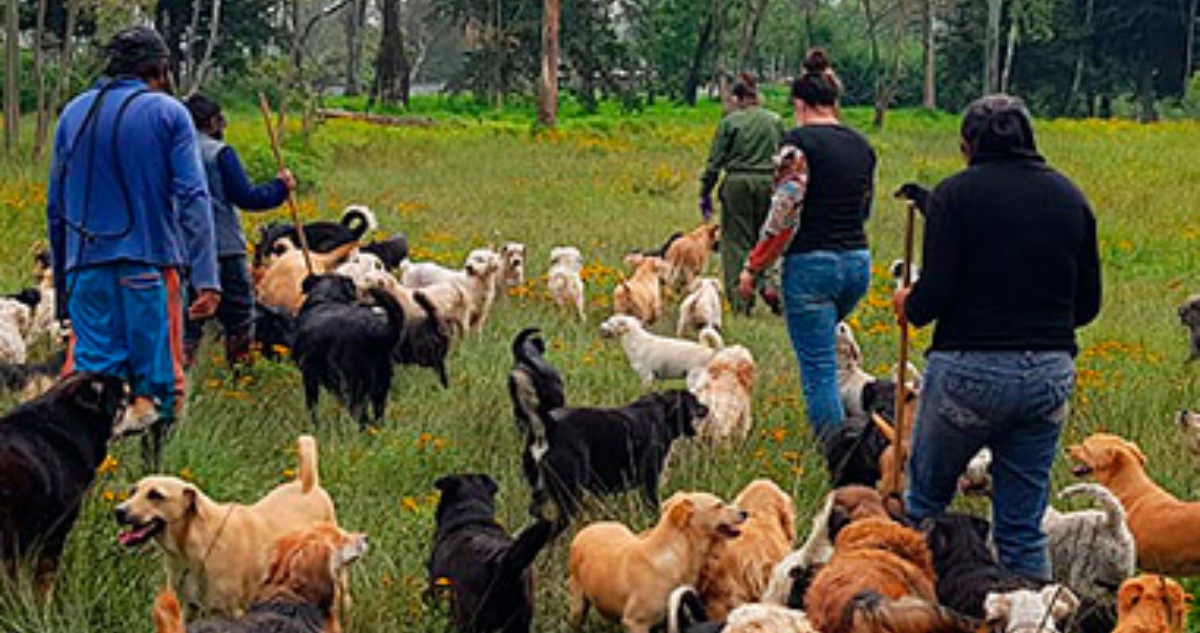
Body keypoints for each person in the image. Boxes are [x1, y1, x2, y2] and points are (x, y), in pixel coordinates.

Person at [892, 94, 1102, 579]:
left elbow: (933, 298)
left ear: (967, 146)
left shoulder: (954, 196)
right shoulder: (1071, 198)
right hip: (1049, 374)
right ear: (1031, 140)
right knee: (1022, 527)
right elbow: (1087, 307)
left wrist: (909, 302)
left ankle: (927, 611)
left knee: (924, 507)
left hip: (968, 372)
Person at [47, 26, 219, 463]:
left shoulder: (73, 114)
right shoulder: (168, 113)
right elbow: (194, 198)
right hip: (149, 269)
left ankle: (77, 477)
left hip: (84, 270)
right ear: (160, 68)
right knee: (159, 385)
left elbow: (55, 207)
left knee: (88, 382)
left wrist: (63, 294)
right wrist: (206, 276)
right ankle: (154, 482)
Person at [738, 49, 876, 450]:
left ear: (799, 104)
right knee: (827, 356)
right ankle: (856, 431)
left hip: (812, 264)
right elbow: (864, 208)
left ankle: (837, 454)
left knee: (818, 369)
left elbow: (784, 212)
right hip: (857, 262)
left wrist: (754, 267)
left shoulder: (796, 144)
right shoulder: (862, 146)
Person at [183, 94, 295, 367]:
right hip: (223, 248)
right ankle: (240, 371)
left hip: (181, 250)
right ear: (212, 122)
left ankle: (182, 374)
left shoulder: (171, 151)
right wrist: (280, 187)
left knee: (187, 318)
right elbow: (247, 197)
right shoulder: (218, 153)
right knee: (240, 315)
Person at [699, 72, 786, 315]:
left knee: (736, 243)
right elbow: (787, 156)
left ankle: (741, 300)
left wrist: (705, 191)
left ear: (737, 98)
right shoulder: (775, 121)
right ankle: (771, 285)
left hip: (737, 183)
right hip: (770, 183)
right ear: (757, 95)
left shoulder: (730, 122)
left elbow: (715, 163)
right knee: (769, 238)